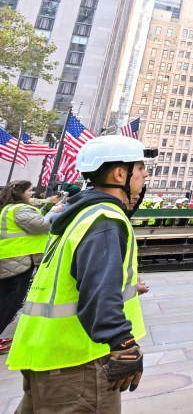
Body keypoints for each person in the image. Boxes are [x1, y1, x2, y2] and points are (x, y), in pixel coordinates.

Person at [7, 135, 155, 410]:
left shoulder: (80, 213)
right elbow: (96, 287)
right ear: (120, 173)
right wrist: (121, 341)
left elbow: (79, 276)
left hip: (46, 354)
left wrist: (128, 287)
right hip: (77, 363)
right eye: (140, 167)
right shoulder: (105, 220)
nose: (145, 174)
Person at [0, 182, 54, 355]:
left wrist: (48, 207)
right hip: (18, 260)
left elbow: (35, 221)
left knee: (6, 299)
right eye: (30, 190)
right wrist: (54, 211)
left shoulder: (12, 209)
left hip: (13, 259)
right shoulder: (20, 210)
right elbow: (41, 226)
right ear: (20, 193)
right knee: (11, 302)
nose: (33, 193)